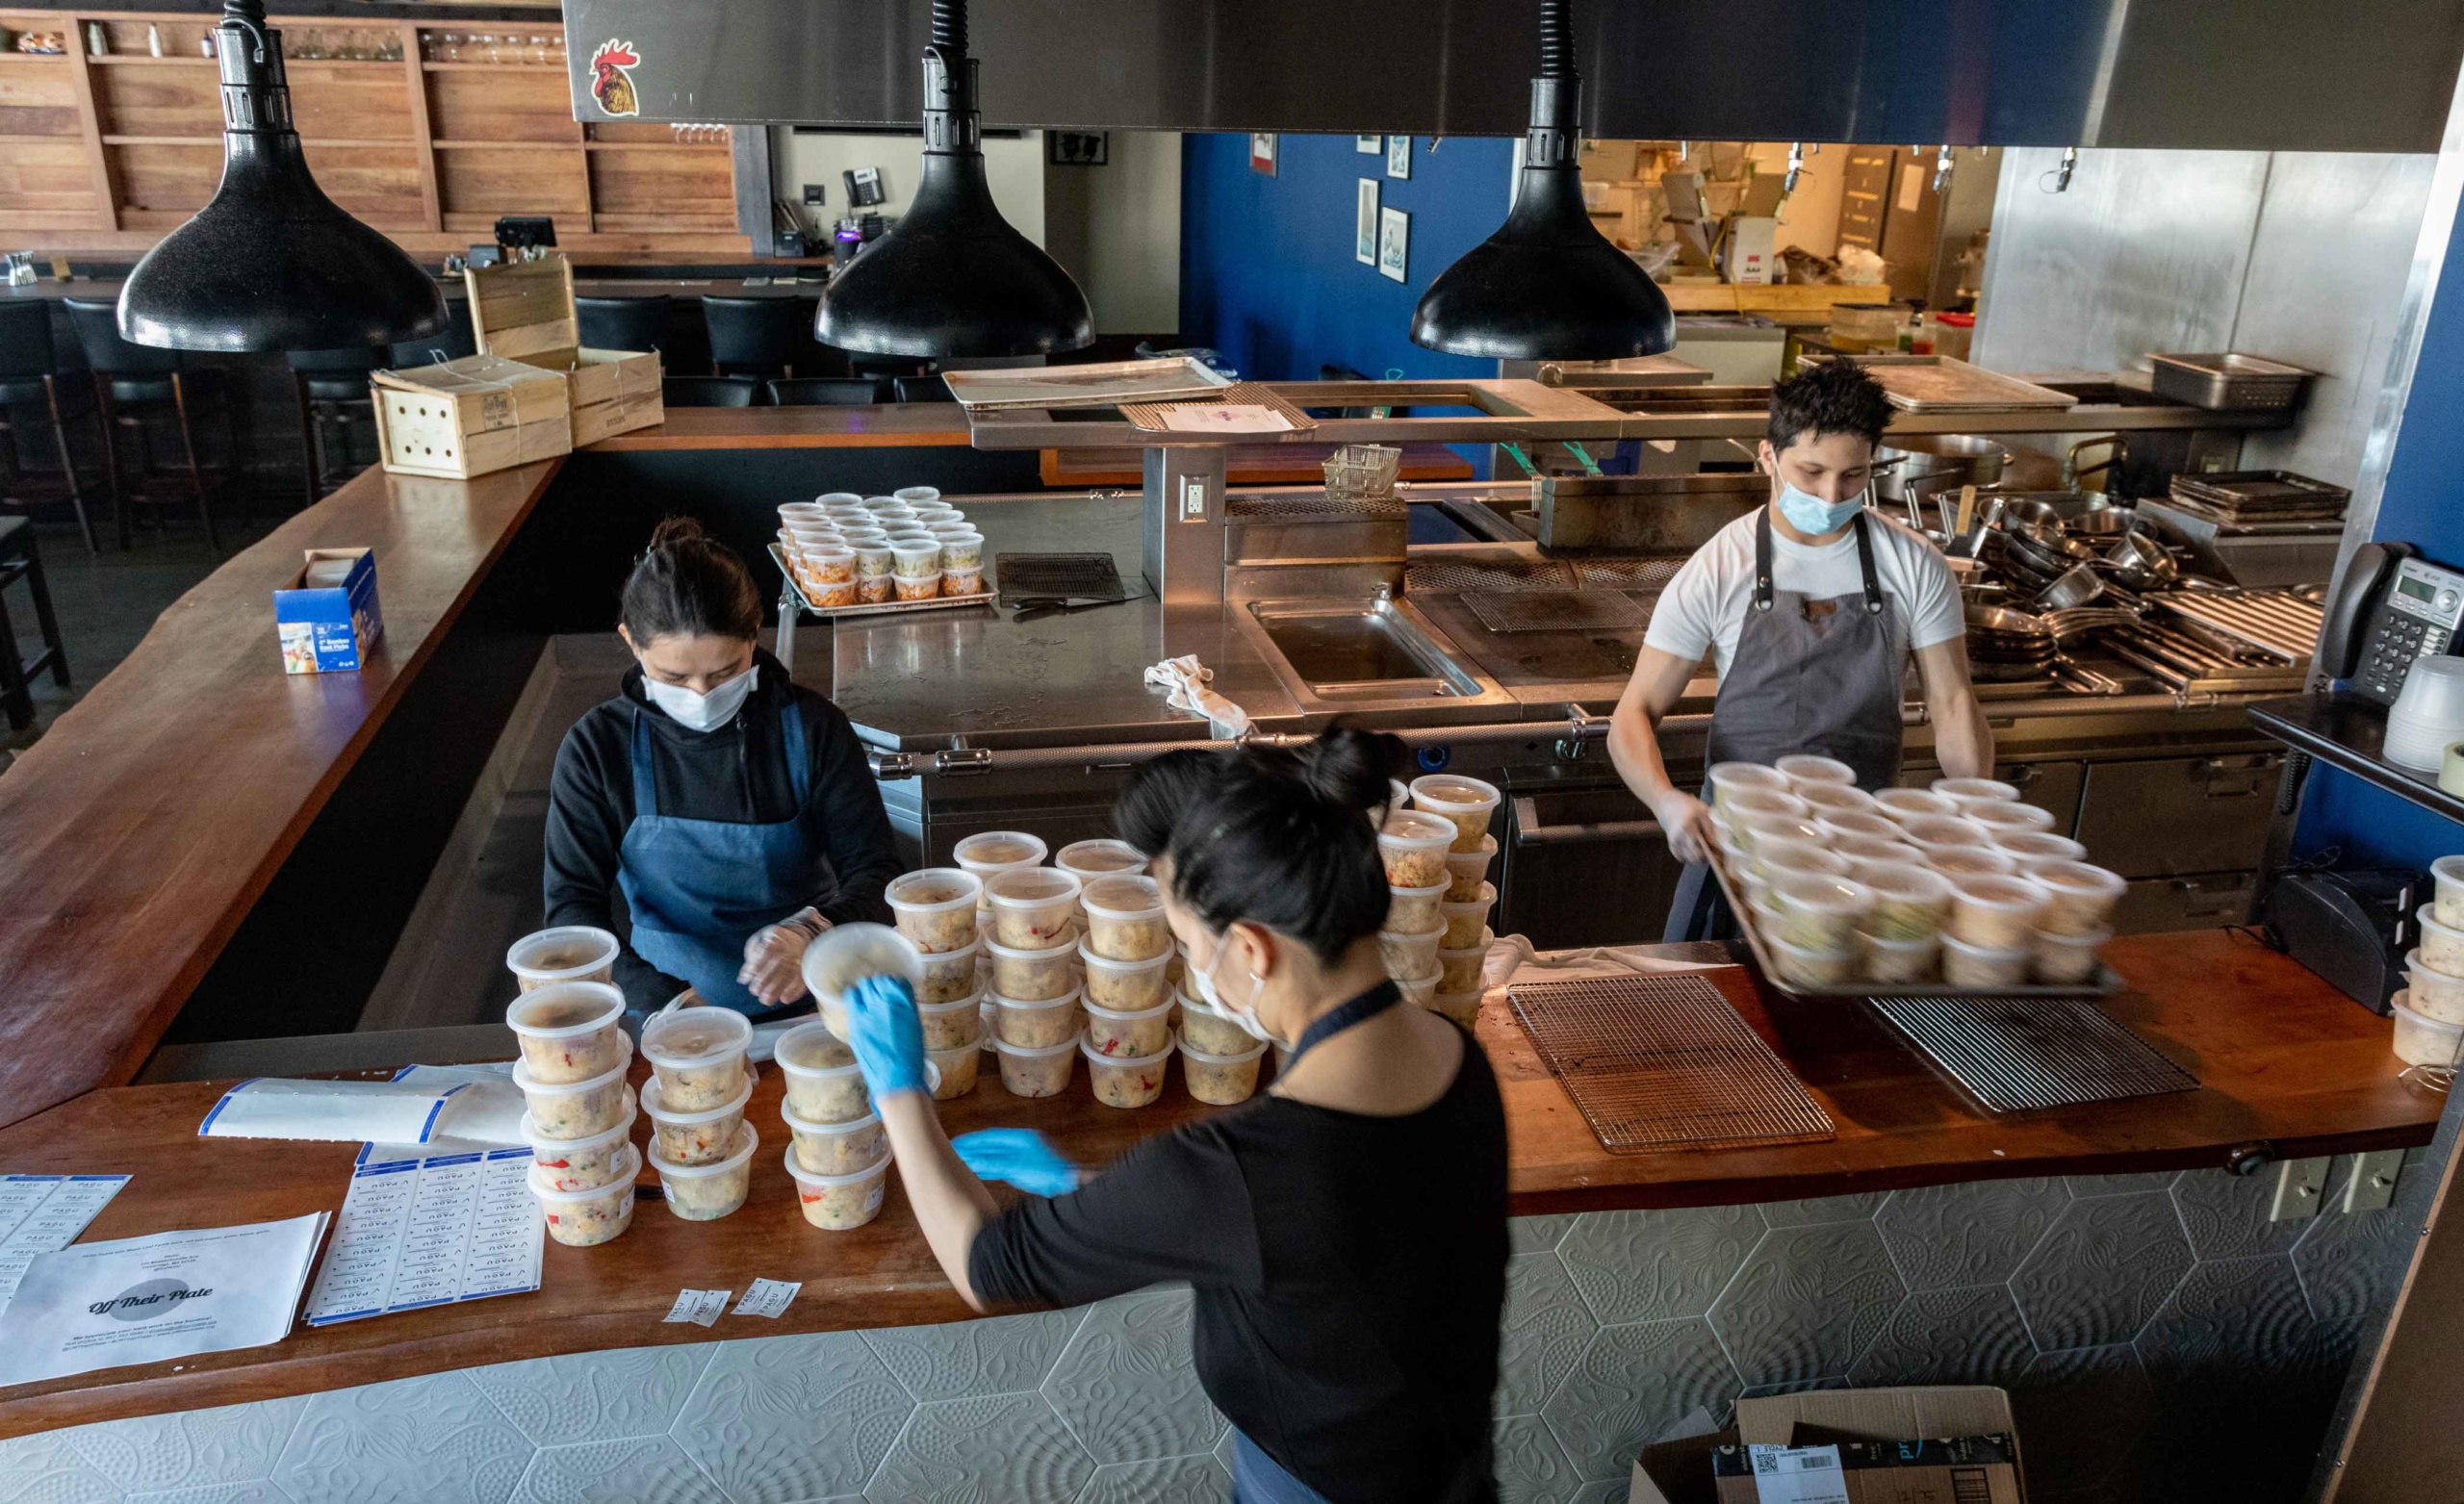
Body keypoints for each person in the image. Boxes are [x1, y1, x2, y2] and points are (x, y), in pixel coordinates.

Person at [839, 728, 1509, 1504]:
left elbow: (986, 1268)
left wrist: (899, 1092)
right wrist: (1104, 1190)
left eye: (1189, 942)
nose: (1192, 964)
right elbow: (1333, 1243)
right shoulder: (1458, 1059)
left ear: (1252, 951)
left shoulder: (1243, 1170)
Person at [1608, 361, 1993, 940]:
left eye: (1853, 476)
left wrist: (1975, 810)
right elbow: (1633, 714)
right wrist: (1666, 802)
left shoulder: (1914, 565)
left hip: (1866, 858)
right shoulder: (1720, 566)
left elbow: (1954, 705)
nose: (1831, 494)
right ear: (1768, 456)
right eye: (1810, 472)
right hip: (1739, 849)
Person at [544, 517, 900, 1019]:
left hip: (819, 1009)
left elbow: (878, 876)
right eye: (672, 676)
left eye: (725, 671)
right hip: (666, 1016)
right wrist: (666, 1002)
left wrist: (815, 931)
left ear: (753, 635)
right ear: (630, 641)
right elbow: (571, 915)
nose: (701, 696)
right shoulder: (598, 749)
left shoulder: (813, 728)